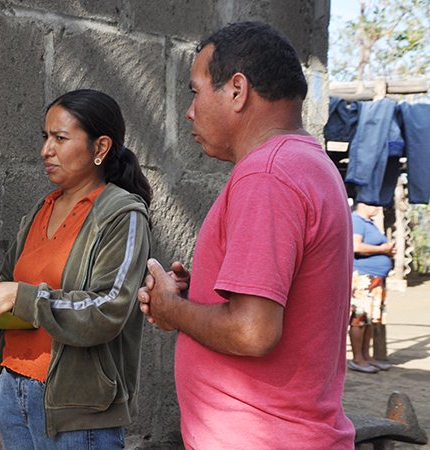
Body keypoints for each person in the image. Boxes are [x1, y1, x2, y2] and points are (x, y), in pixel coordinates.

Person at [136, 22, 355, 448]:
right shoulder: (306, 163)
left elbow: (252, 331)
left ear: (237, 90)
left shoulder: (267, 174)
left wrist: (170, 309)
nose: (189, 110)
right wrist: (196, 296)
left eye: (195, 91)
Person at [0, 89, 152, 449]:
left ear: (100, 148)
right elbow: (12, 284)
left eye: (60, 138)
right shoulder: (42, 209)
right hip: (14, 387)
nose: (45, 150)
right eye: (45, 137)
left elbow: (108, 309)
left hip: (77, 407)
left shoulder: (121, 214)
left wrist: (19, 296)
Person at [348, 202, 395, 373]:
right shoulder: (356, 220)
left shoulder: (370, 223)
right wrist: (382, 249)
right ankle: (357, 358)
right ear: (363, 203)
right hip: (363, 277)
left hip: (375, 278)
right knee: (359, 319)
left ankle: (366, 356)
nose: (377, 208)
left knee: (370, 320)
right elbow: (356, 246)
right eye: (374, 204)